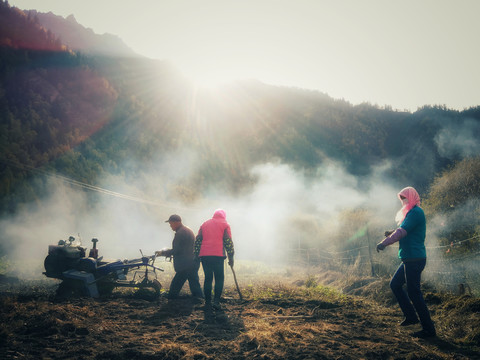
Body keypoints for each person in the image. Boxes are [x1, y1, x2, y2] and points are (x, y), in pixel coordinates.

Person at [376, 187, 436, 339]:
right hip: (409, 258)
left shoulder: (416, 212)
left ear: (412, 197)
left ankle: (429, 330)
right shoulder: (411, 213)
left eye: (406, 198)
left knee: (414, 293)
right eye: (402, 198)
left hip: (414, 259)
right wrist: (392, 233)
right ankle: (411, 317)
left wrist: (385, 242)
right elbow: (404, 229)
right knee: (395, 285)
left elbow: (402, 231)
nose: (404, 201)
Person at [156, 214, 203, 300]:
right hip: (192, 261)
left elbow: (177, 250)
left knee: (177, 283)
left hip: (185, 264)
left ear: (177, 222)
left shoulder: (180, 233)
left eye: (171, 224)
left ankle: (171, 297)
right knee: (194, 282)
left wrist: (162, 253)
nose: (170, 226)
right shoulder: (187, 230)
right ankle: (199, 298)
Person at [195, 209, 234, 310]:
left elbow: (198, 240)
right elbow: (228, 242)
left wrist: (196, 254)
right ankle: (216, 301)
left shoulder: (204, 224)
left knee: (208, 278)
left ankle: (207, 302)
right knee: (219, 278)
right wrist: (231, 257)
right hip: (218, 256)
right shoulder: (225, 224)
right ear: (224, 216)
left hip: (205, 256)